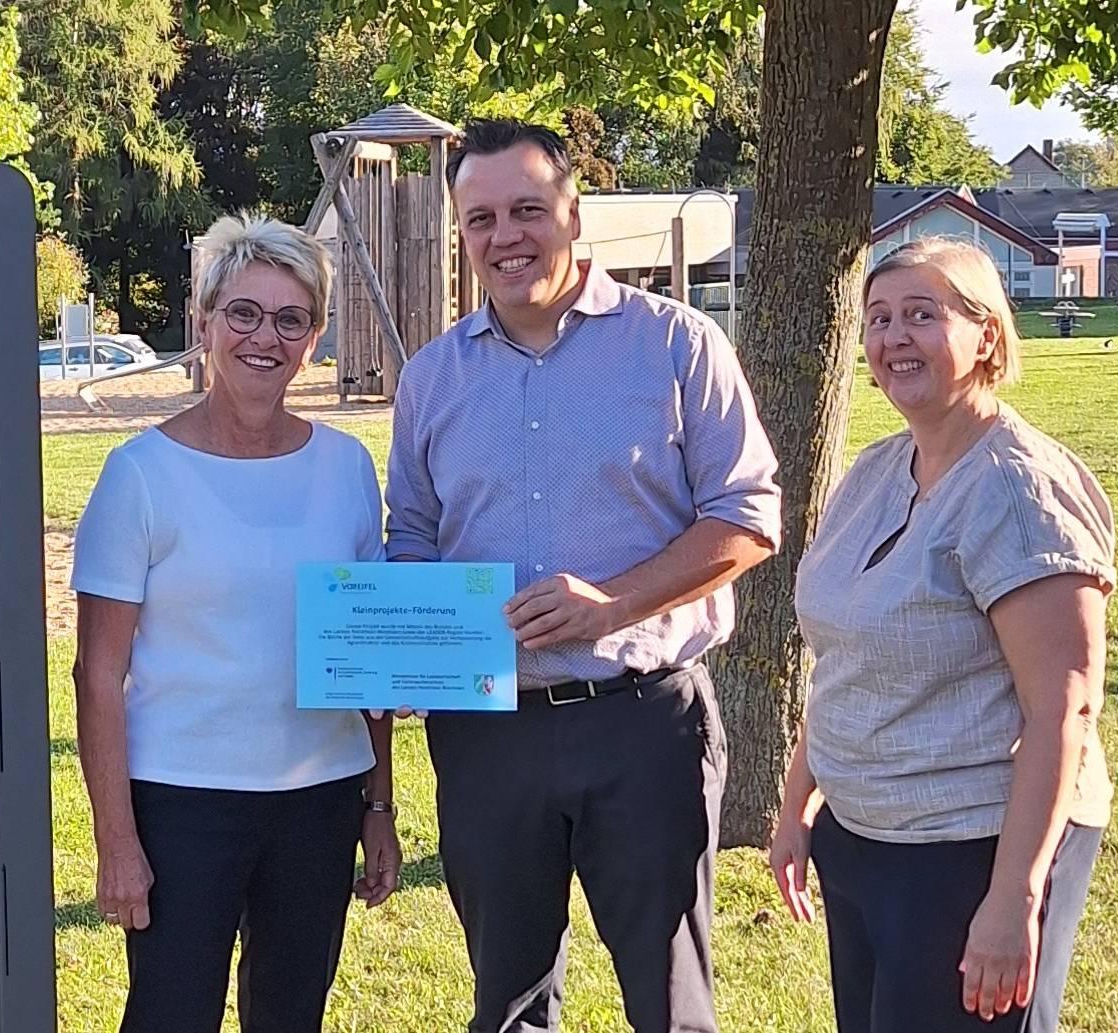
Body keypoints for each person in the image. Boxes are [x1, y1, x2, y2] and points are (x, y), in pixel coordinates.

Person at [385, 118, 783, 1033]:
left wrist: (614, 603)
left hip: (643, 722)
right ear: (459, 230)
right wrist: (414, 643)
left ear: (574, 211)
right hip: (487, 737)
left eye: (527, 209)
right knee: (510, 1001)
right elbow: (411, 533)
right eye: (480, 218)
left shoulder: (677, 346)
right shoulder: (432, 378)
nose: (504, 235)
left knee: (671, 996)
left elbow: (750, 515)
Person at [770, 237, 1115, 1033]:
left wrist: (1011, 898)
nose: (894, 338)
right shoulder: (879, 469)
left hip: (971, 849)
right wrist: (798, 803)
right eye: (879, 318)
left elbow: (1062, 711)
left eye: (922, 316)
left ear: (986, 334)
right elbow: (845, 658)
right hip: (863, 838)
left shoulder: (1019, 492)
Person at [71, 211, 401, 1033]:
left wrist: (379, 806)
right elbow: (97, 672)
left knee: (291, 1016)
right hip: (183, 803)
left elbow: (369, 658)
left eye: (291, 318)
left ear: (315, 335)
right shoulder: (139, 475)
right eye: (244, 313)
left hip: (318, 801)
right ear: (207, 322)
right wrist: (117, 843)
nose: (265, 337)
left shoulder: (348, 467)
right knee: (170, 1015)